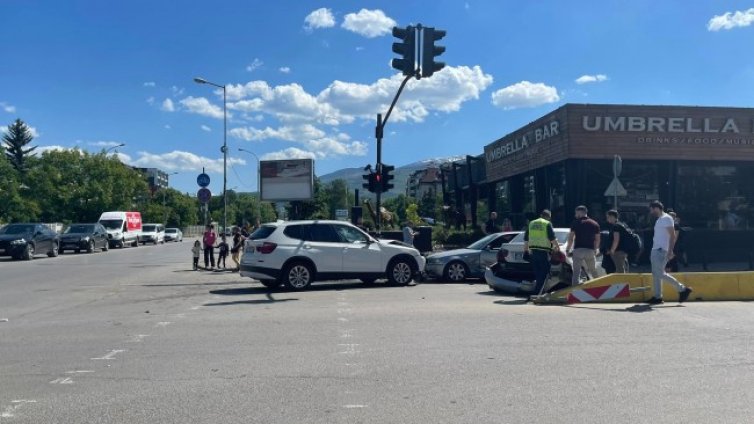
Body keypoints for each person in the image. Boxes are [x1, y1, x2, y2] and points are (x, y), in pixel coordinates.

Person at [647, 201, 693, 305]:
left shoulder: (667, 218)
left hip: (662, 250)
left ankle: (682, 289)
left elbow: (672, 236)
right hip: (656, 250)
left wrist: (670, 250)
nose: (651, 212)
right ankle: (657, 297)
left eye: (651, 209)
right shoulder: (660, 220)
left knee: (659, 273)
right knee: (656, 274)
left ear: (656, 208)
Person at [524, 209, 560, 299]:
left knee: (538, 273)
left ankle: (537, 291)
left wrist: (525, 251)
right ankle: (537, 294)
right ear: (548, 217)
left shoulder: (531, 223)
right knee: (544, 273)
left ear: (541, 215)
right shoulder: (547, 223)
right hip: (543, 252)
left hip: (533, 252)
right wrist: (558, 247)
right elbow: (552, 238)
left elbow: (526, 239)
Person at [565, 206, 601, 285]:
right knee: (593, 270)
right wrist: (595, 249)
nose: (575, 215)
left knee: (576, 272)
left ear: (580, 212)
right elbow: (597, 239)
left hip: (578, 250)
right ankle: (599, 286)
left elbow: (571, 238)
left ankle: (575, 290)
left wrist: (567, 250)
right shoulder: (595, 224)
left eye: (576, 213)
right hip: (590, 250)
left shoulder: (575, 223)